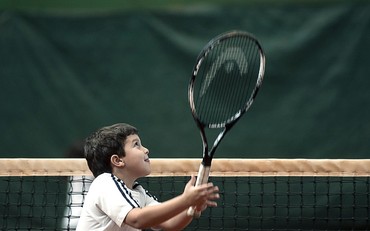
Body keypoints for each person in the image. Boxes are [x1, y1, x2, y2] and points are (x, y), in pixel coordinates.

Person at [76, 123, 219, 231]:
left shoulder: (138, 192)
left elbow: (171, 223)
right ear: (118, 161)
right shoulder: (104, 183)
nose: (146, 150)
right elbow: (137, 219)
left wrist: (192, 206)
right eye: (136, 145)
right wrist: (185, 199)